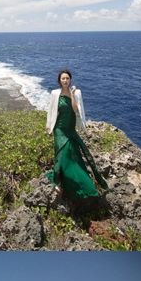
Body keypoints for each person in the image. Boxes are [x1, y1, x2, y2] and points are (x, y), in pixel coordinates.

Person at [46, 70, 107, 199]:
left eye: (67, 78)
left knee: (72, 155)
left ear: (70, 80)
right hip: (59, 128)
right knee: (61, 153)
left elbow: (75, 110)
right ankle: (57, 181)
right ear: (59, 80)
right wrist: (48, 126)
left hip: (70, 128)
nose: (65, 80)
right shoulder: (55, 93)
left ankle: (74, 182)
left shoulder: (76, 93)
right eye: (63, 78)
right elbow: (51, 110)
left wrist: (72, 95)